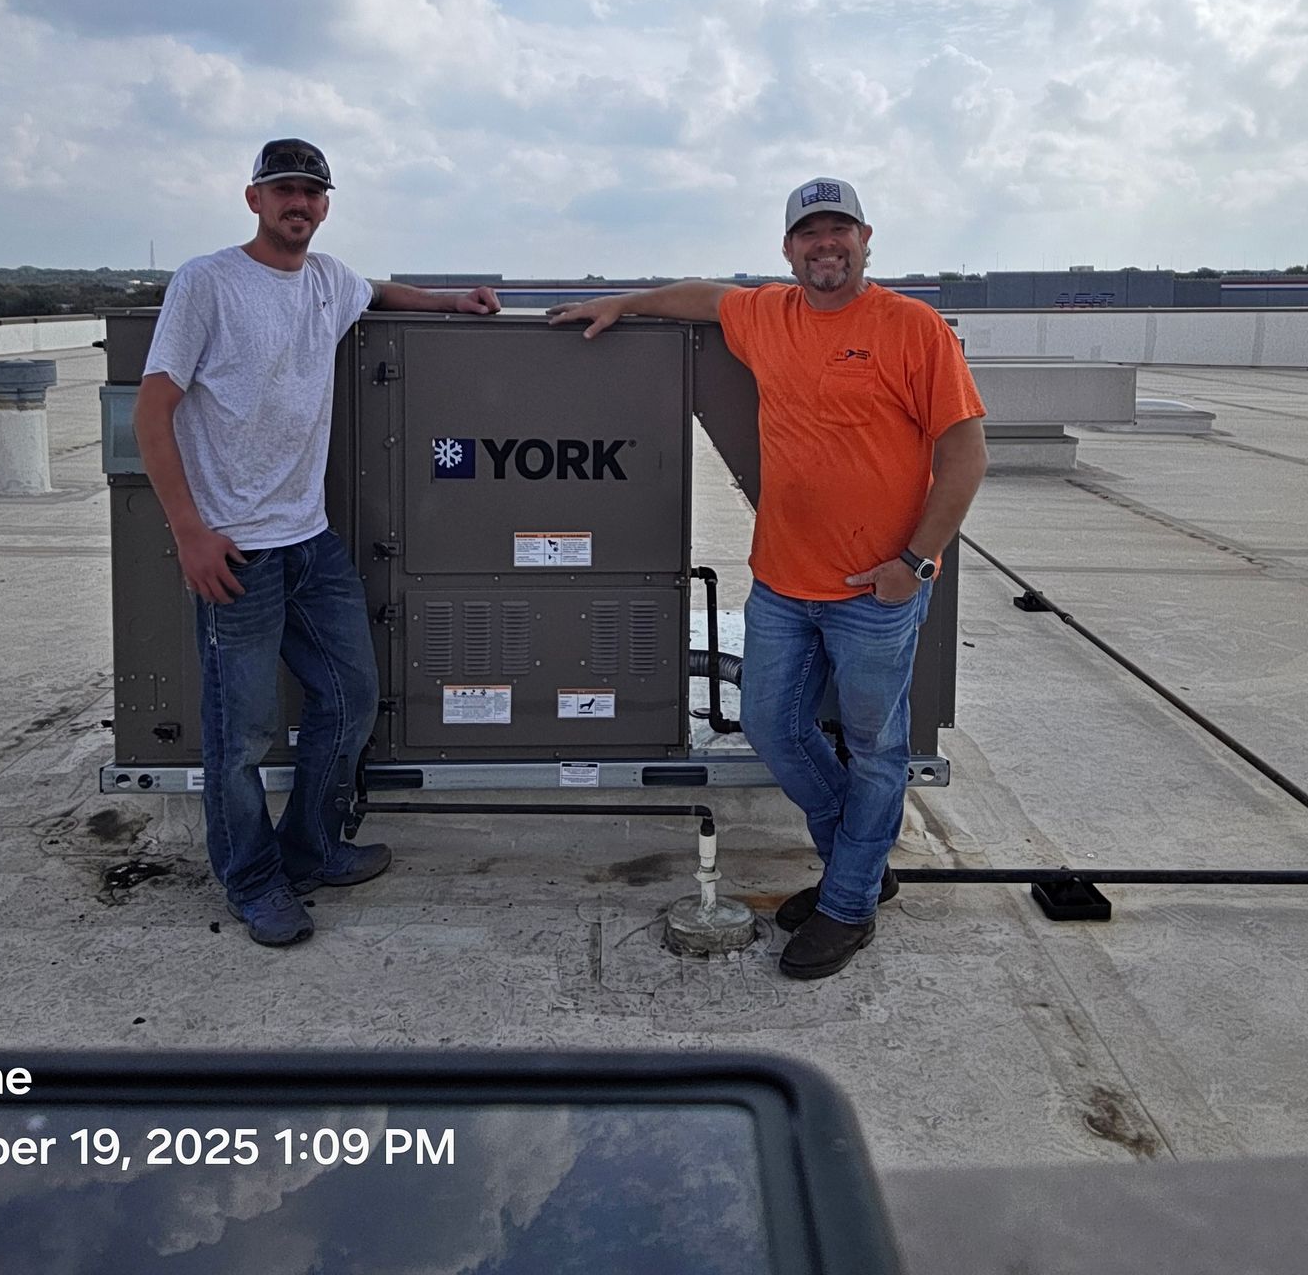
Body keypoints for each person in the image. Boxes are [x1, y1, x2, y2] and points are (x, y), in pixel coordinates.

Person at [548, 179, 986, 979]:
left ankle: (850, 904)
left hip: (875, 597)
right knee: (774, 728)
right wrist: (624, 304)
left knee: (877, 750)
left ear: (866, 239)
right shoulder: (767, 315)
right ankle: (857, 857)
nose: (826, 245)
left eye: (840, 231)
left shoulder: (911, 329)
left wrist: (914, 564)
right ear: (788, 250)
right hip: (784, 585)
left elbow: (965, 455)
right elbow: (697, 297)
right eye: (810, 233)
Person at [134, 138, 501, 945]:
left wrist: (455, 304)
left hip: (311, 543)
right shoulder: (208, 282)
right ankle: (252, 878)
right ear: (253, 199)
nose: (297, 204)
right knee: (243, 736)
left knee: (350, 698)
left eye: (311, 192)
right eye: (283, 190)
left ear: (326, 205)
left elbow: (382, 291)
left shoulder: (330, 281)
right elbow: (151, 410)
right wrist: (189, 533)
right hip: (235, 553)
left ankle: (311, 846)